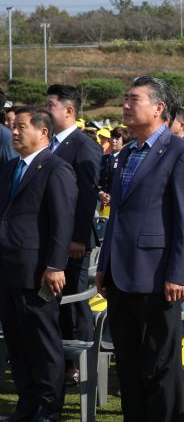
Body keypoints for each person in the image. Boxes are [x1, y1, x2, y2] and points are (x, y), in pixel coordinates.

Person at [95, 76, 184, 422]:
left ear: (158, 108)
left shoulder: (178, 152)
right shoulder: (126, 152)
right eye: (125, 98)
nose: (125, 105)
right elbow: (117, 216)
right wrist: (104, 265)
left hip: (157, 277)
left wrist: (176, 272)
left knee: (159, 367)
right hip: (121, 275)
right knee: (129, 367)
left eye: (134, 99)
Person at [0, 107, 77, 421]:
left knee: (42, 343)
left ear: (43, 132)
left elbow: (62, 222)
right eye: (13, 127)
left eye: (21, 126)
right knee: (17, 343)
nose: (14, 132)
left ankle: (47, 408)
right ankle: (27, 403)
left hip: (38, 272)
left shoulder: (55, 168)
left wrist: (55, 265)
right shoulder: (8, 168)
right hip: (8, 268)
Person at [45, 85, 102, 371]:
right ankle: (62, 360)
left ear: (68, 111)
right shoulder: (50, 143)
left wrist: (79, 236)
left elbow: (86, 194)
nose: (45, 111)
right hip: (52, 238)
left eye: (50, 106)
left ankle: (82, 362)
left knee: (75, 301)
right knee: (57, 300)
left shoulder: (84, 145)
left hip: (74, 240)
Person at [98, 127, 131, 210]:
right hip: (101, 202)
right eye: (112, 137)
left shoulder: (127, 159)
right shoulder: (103, 158)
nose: (113, 141)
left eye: (117, 139)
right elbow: (97, 179)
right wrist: (100, 193)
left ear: (124, 141)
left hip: (118, 204)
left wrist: (111, 196)